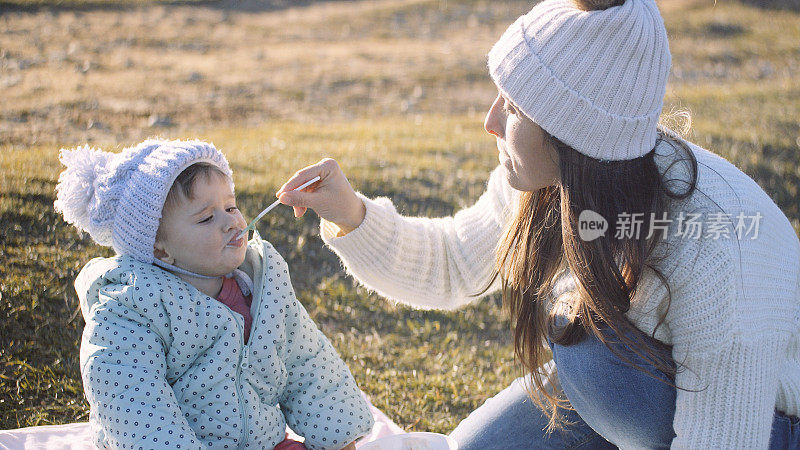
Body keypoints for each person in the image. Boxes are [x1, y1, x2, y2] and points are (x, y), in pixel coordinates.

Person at [274, 0, 800, 448]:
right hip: (634, 384)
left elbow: (728, 436)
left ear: (572, 135)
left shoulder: (716, 248)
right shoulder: (554, 184)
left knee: (593, 359)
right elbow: (454, 263)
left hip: (761, 420)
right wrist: (351, 215)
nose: (491, 121)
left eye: (516, 108)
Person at [54, 139, 373, 450]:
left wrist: (338, 434)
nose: (231, 221)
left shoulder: (263, 287)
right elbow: (133, 403)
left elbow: (307, 359)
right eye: (207, 217)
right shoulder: (132, 308)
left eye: (231, 206)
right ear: (160, 249)